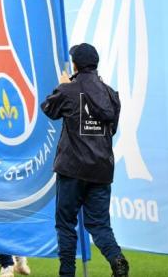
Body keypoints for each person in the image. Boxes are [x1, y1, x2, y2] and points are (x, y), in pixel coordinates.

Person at [41, 43, 129, 277]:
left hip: (72, 169)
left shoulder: (69, 90)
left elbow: (48, 109)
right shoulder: (110, 93)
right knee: (99, 224)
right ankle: (116, 258)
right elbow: (112, 129)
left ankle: (67, 272)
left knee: (65, 223)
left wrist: (62, 85)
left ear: (76, 65)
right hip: (101, 170)